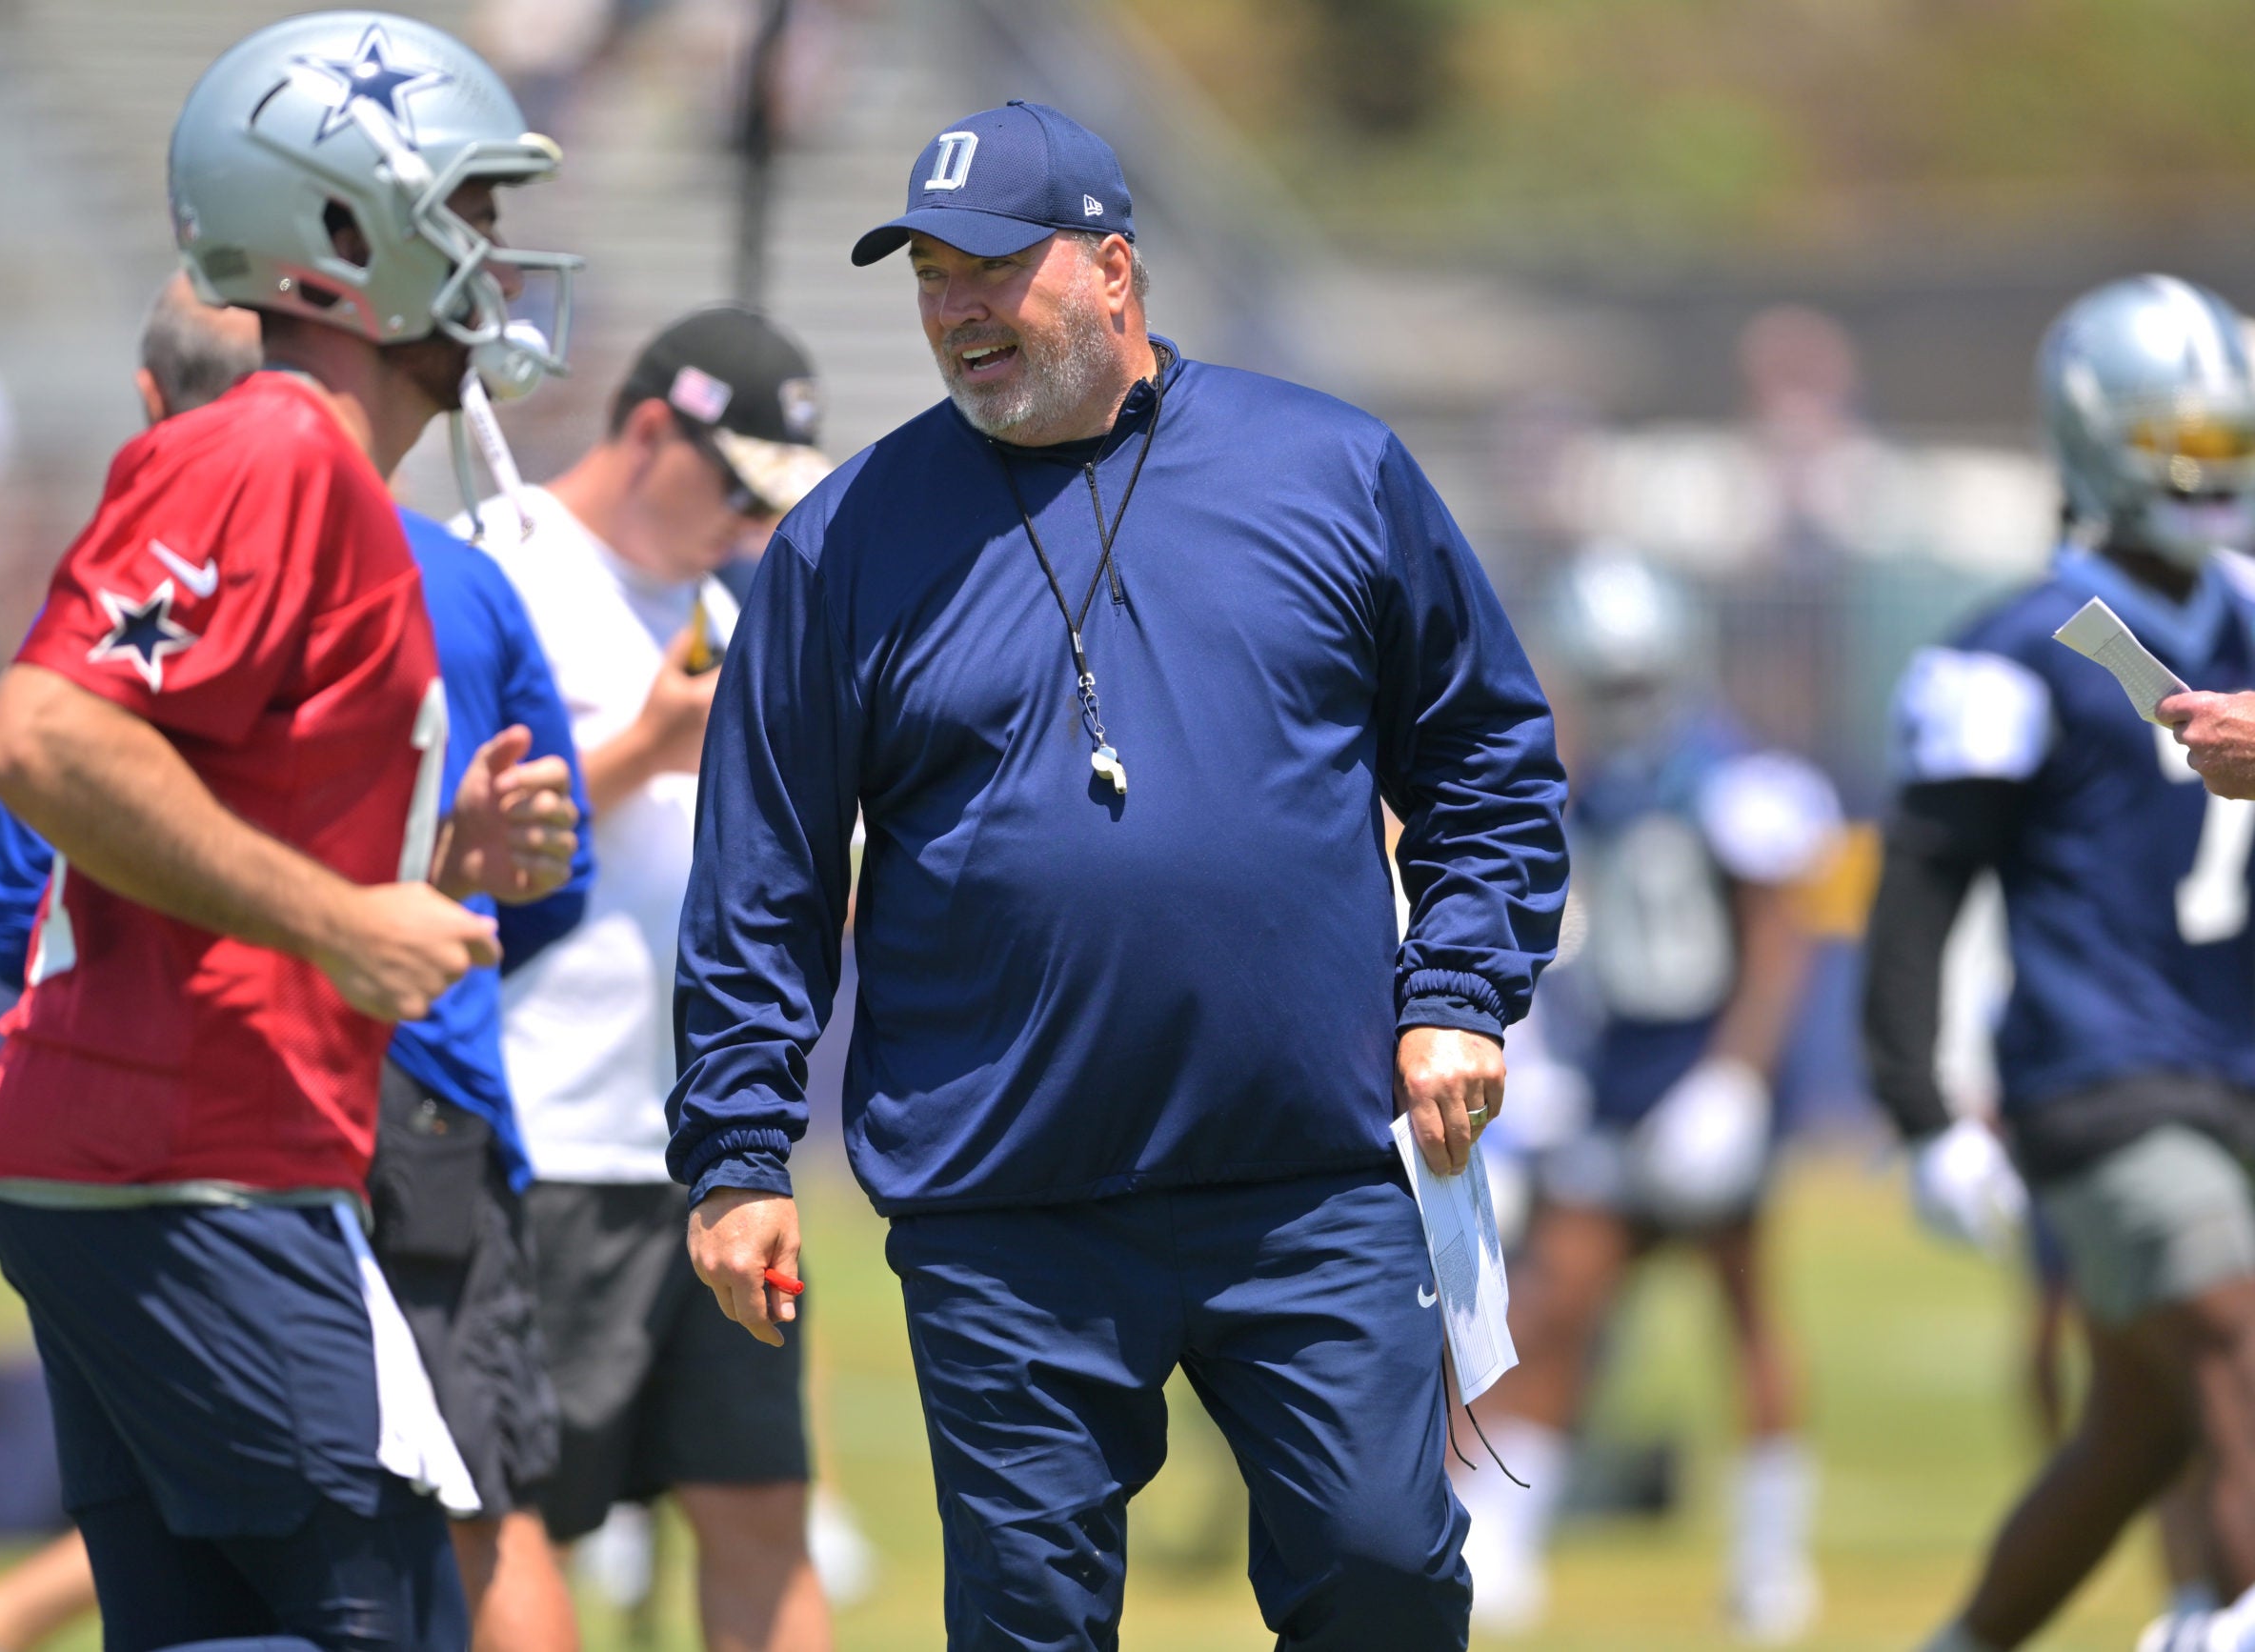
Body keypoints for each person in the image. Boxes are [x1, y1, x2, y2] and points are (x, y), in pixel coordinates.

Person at [670, 100, 1568, 1649]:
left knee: (1387, 1573)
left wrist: (1460, 990)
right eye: (930, 274)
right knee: (1030, 1622)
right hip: (1003, 1199)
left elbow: (1486, 757)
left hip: (1307, 1171)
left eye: (992, 268)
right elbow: (763, 875)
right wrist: (740, 1149)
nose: (957, 308)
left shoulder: (1331, 468)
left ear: (1112, 266)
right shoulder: (843, 542)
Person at [0, 15, 584, 1651]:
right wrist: (342, 918)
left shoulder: (311, 471)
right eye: (469, 212)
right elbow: (39, 734)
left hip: (161, 1153)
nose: (495, 255)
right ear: (342, 233)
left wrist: (431, 869)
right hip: (193, 1159)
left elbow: (208, 833)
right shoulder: (278, 445)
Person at [1860, 274, 2255, 1652]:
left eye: (2229, 440)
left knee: (2136, 1430)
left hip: (2235, 1061)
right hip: (2104, 1073)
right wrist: (1919, 1111)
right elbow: (1920, 887)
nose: (2211, 471)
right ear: (2099, 439)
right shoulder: (2013, 650)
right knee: (2234, 1334)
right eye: (2182, 443)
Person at [462, 303, 836, 1652]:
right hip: (544, 1132)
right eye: (732, 485)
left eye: (768, 499)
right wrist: (647, 745)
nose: (747, 521)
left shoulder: (731, 598)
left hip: (719, 1145)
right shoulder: (499, 565)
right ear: (646, 431)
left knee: (761, 1507)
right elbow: (444, 839)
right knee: (511, 1518)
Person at [1456, 547, 1841, 1642]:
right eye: (1607, 681)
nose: (1626, 701)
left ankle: (1770, 1556)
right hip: (1615, 1083)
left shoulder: (1735, 781)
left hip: (1706, 1078)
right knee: (1553, 1305)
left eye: (1638, 679)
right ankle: (1503, 1539)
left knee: (1744, 1308)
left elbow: (1775, 948)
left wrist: (1733, 1079)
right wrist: (1544, 1065)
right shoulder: (1579, 785)